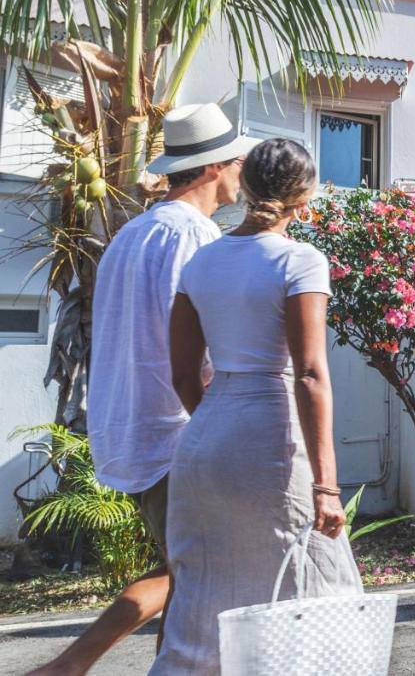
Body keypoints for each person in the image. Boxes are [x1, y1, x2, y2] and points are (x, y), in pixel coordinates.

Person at [28, 103, 255, 676]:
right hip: (179, 431)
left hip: (130, 428)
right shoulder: (197, 237)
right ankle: (66, 666)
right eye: (236, 162)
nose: (241, 174)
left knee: (191, 574)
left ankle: (86, 667)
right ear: (211, 168)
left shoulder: (133, 232)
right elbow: (198, 348)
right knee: (203, 569)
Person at [150, 138, 360, 675]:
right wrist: (327, 486)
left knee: (205, 593)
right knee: (308, 589)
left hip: (206, 441)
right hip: (270, 437)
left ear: (243, 187)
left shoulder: (201, 262)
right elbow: (309, 374)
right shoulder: (299, 260)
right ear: (305, 197)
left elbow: (180, 372)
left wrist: (218, 422)